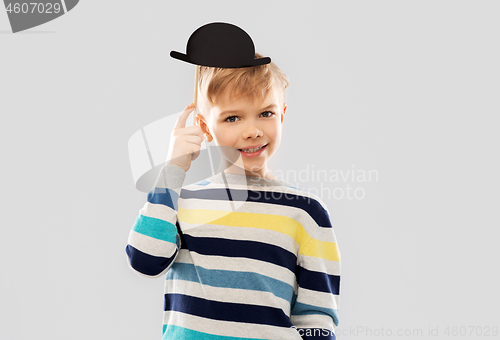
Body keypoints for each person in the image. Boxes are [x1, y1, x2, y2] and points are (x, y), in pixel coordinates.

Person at [125, 53, 341, 340]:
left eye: (266, 113)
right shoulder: (183, 202)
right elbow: (145, 260)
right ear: (204, 128)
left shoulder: (305, 212)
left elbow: (317, 320)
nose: (252, 131)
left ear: (282, 115)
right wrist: (173, 169)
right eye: (232, 118)